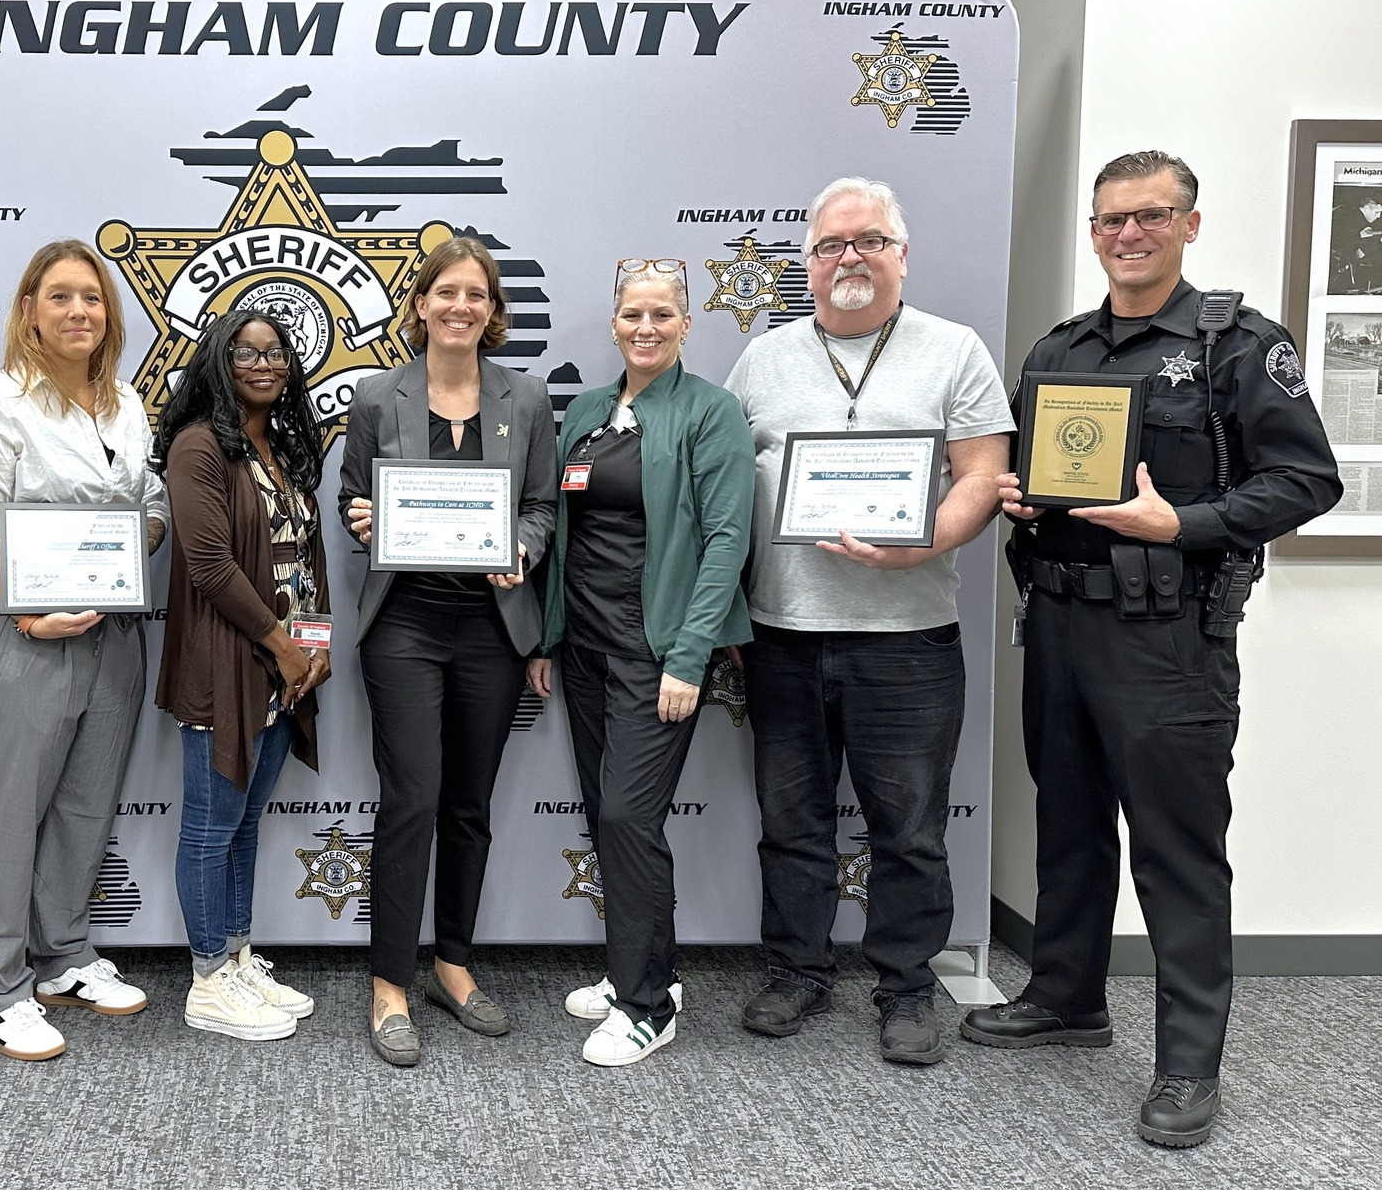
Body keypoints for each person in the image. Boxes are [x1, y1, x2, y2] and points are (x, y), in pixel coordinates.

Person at [967, 150, 1341, 1147]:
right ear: (1091, 232)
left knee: (1177, 852)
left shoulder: (1232, 345)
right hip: (1057, 619)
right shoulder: (1058, 350)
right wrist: (1017, 496)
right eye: (1108, 220)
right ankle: (1064, 997)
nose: (1125, 235)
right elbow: (1032, 477)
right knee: (1070, 824)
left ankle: (1185, 1063)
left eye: (1146, 216)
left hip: (1167, 634)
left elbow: (1305, 482)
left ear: (1188, 223)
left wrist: (1175, 523)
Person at [726, 177, 1014, 1068]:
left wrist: (921, 543)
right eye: (830, 245)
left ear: (901, 253)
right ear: (806, 264)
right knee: (792, 819)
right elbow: (724, 489)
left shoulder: (954, 350)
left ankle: (905, 986)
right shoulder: (763, 359)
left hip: (910, 639)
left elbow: (983, 476)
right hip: (782, 632)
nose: (849, 256)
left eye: (869, 240)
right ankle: (798, 970)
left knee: (911, 829)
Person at [337, 236, 559, 1067]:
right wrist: (363, 518)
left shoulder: (527, 399)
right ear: (421, 304)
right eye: (446, 293)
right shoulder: (375, 396)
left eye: (477, 294)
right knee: (412, 798)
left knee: (469, 803)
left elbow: (540, 506)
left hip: (493, 628)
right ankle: (389, 980)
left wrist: (525, 550)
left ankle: (452, 964)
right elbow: (354, 492)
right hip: (405, 625)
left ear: (493, 311)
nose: (461, 306)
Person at [528, 258, 754, 1067]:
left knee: (628, 817)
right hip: (585, 649)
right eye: (632, 314)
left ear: (688, 324)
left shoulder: (711, 411)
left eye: (662, 314)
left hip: (658, 654)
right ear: (614, 322)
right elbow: (561, 531)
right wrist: (548, 638)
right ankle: (642, 968)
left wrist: (690, 655)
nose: (646, 327)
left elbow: (728, 539)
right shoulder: (588, 409)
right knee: (609, 814)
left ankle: (648, 1005)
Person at [0, 240, 168, 1060]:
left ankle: (63, 956)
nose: (80, 311)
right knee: (6, 812)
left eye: (94, 298)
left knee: (86, 804)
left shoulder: (127, 403)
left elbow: (150, 507)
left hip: (111, 628)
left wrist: (115, 556)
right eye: (62, 296)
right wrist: (28, 608)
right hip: (17, 631)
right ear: (30, 308)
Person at [152, 310, 332, 1041]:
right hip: (227, 663)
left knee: (246, 819)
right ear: (219, 363)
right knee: (210, 824)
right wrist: (280, 647)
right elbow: (210, 565)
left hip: (287, 669)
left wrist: (313, 647)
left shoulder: (281, 445)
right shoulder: (199, 447)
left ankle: (236, 953)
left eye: (275, 351)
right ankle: (205, 977)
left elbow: (305, 561)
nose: (263, 363)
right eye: (245, 352)